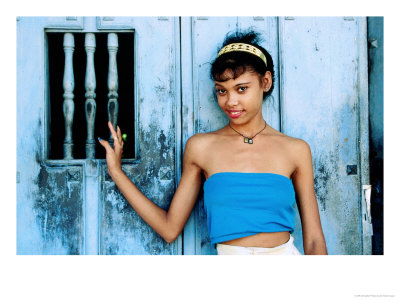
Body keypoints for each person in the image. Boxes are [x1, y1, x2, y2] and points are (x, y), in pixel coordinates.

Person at [98, 29, 327, 255]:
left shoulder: (296, 150)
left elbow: (315, 240)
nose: (231, 101)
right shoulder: (201, 147)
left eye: (242, 89)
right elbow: (169, 229)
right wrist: (116, 172)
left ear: (265, 82)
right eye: (222, 90)